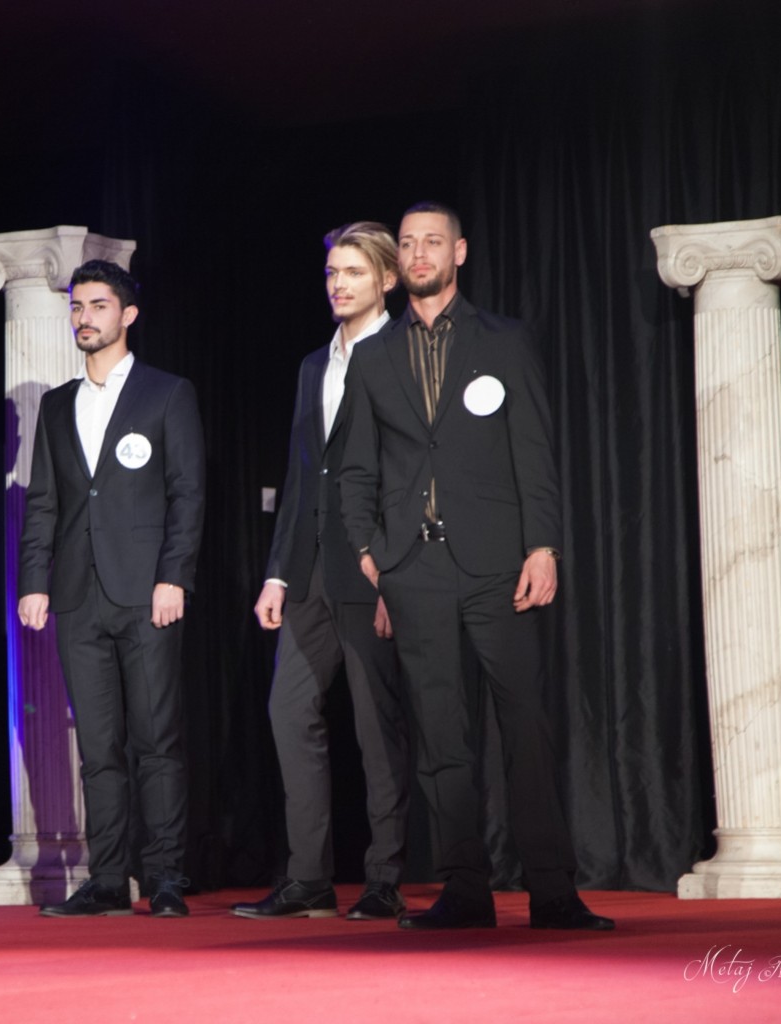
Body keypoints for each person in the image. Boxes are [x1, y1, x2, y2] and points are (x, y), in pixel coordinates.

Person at [338, 202, 613, 931]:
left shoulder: (504, 340)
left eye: (432, 242)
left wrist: (543, 545)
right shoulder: (372, 357)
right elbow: (356, 469)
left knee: (525, 723)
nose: (419, 254)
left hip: (497, 564)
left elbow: (534, 452)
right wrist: (372, 553)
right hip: (413, 568)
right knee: (439, 736)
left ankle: (552, 891)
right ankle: (465, 889)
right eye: (408, 244)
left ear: (459, 252)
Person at [232, 222, 410, 921]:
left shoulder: (405, 352)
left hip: (372, 572)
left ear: (386, 280)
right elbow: (301, 475)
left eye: (354, 272)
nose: (338, 284)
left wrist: (393, 571)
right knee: (288, 713)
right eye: (332, 272)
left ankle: (384, 878)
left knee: (376, 728)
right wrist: (277, 573)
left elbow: (410, 475)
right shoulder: (314, 364)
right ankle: (307, 878)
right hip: (307, 573)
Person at [18, 259, 206, 918]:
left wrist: (173, 576)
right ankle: (106, 879)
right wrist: (33, 580)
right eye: (76, 306)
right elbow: (44, 500)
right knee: (97, 749)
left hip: (146, 591)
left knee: (156, 740)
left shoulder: (166, 393)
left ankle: (166, 876)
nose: (84, 317)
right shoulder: (57, 404)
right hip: (76, 594)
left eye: (98, 305)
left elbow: (187, 494)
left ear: (127, 315)